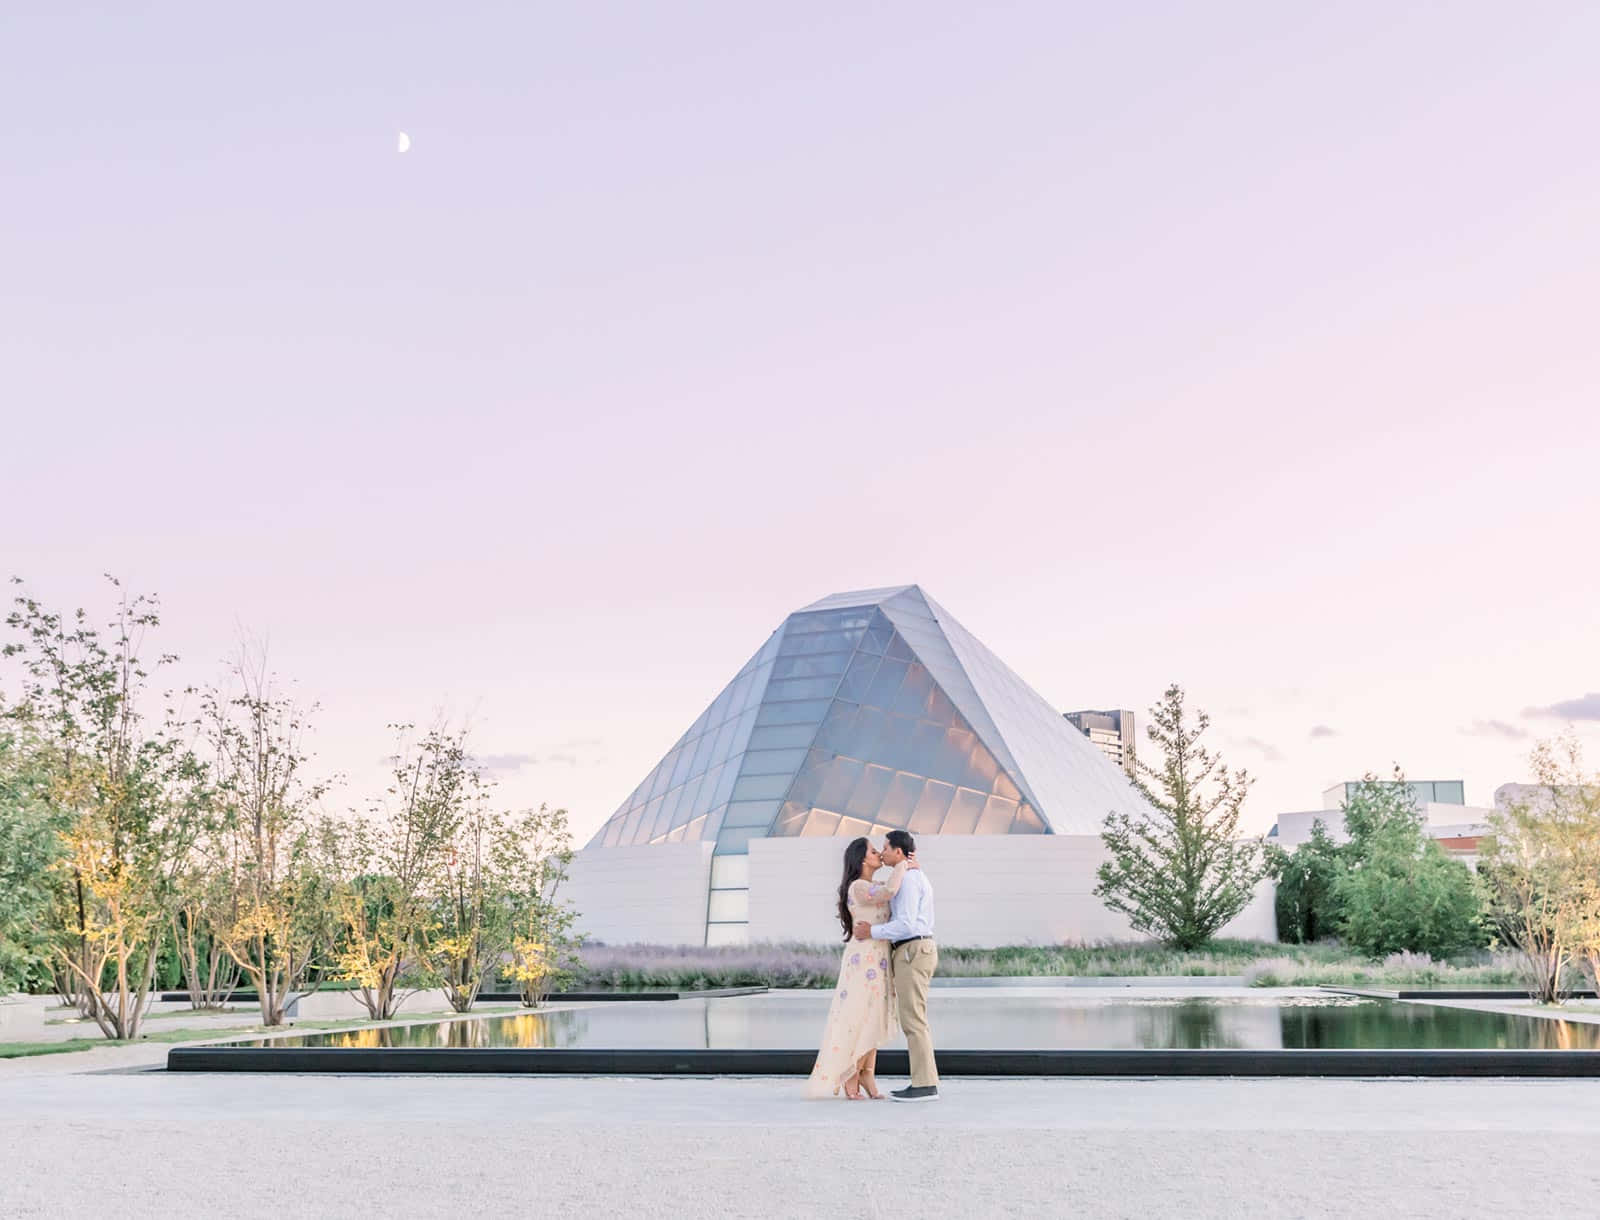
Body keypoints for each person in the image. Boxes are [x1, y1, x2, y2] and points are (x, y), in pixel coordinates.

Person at [805, 837, 913, 1100]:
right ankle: (851, 1073)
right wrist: (903, 864)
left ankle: (867, 1073)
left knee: (874, 1016)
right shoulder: (857, 887)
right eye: (874, 851)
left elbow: (890, 893)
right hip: (863, 961)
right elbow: (888, 892)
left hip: (880, 959)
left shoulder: (873, 884)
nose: (879, 854)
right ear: (863, 859)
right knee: (857, 1015)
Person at [853, 828, 938, 1101]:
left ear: (899, 852)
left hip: (913, 949)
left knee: (913, 1020)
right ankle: (925, 1082)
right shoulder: (910, 875)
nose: (883, 852)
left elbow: (907, 924)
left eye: (886, 848)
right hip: (914, 949)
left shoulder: (910, 879)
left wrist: (872, 932)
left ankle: (924, 1085)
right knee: (915, 1019)